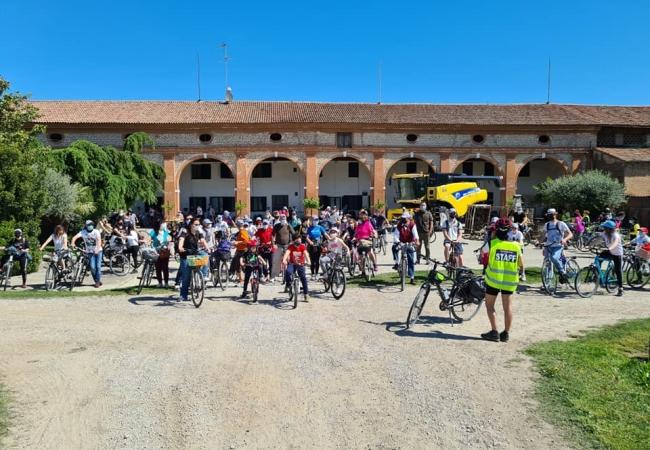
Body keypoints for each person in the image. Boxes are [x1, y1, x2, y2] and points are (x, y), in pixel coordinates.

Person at [481, 218, 523, 343]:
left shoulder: (492, 243)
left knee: (489, 305)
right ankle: (506, 333)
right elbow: (521, 264)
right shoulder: (516, 246)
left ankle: (494, 331)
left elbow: (483, 257)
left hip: (493, 280)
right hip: (509, 282)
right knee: (507, 307)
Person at [177, 218, 206, 301]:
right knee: (186, 276)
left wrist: (207, 248)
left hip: (194, 255)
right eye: (196, 224)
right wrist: (180, 247)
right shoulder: (185, 231)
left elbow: (203, 241)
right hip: (185, 255)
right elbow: (181, 239)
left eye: (198, 225)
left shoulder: (198, 232)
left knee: (205, 257)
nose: (197, 226)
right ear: (191, 225)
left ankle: (203, 277)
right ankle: (183, 295)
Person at [541, 208, 573, 283]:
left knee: (554, 258)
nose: (550, 216)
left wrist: (565, 239)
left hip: (558, 246)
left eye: (551, 214)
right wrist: (538, 242)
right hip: (548, 247)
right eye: (549, 215)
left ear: (555, 214)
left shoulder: (561, 223)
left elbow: (570, 234)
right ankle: (547, 283)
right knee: (547, 264)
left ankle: (562, 272)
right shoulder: (547, 225)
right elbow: (543, 236)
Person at [71, 220, 103, 288]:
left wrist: (97, 249)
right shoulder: (83, 232)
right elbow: (75, 237)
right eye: (88, 225)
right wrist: (72, 243)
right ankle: (97, 280)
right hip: (90, 252)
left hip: (98, 251)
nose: (90, 226)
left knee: (98, 266)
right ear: (86, 226)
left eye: (91, 224)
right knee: (92, 267)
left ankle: (97, 282)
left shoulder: (96, 231)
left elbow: (99, 240)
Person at [391, 212, 419, 284]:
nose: (403, 219)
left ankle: (412, 277)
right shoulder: (399, 225)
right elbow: (396, 235)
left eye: (405, 218)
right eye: (402, 218)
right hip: (401, 242)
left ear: (408, 218)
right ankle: (396, 263)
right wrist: (397, 241)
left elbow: (415, 234)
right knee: (394, 248)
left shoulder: (412, 224)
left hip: (410, 243)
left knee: (411, 259)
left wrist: (416, 241)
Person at [599, 220, 624, 297]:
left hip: (617, 254)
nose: (604, 229)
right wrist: (590, 245)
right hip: (610, 251)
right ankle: (599, 274)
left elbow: (615, 243)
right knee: (599, 258)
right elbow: (598, 239)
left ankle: (620, 288)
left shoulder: (616, 235)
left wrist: (609, 248)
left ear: (609, 229)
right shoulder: (605, 233)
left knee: (618, 270)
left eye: (605, 227)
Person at [282, 235, 311, 301]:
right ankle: (288, 285)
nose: (299, 241)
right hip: (292, 264)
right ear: (294, 240)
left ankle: (306, 294)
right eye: (297, 240)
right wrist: (284, 260)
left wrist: (308, 261)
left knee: (303, 278)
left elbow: (306, 254)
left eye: (300, 240)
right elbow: (287, 253)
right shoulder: (291, 246)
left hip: (300, 264)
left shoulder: (302, 246)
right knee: (288, 272)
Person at [149, 221, 172, 288]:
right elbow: (149, 239)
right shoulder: (153, 232)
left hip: (165, 252)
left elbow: (170, 240)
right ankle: (160, 282)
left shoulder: (166, 232)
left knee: (165, 268)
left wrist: (169, 245)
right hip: (156, 252)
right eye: (162, 224)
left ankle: (166, 283)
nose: (163, 225)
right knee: (158, 268)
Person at [272, 215, 294, 281]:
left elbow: (293, 233)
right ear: (280, 219)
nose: (283, 220)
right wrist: (273, 244)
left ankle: (289, 274)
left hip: (287, 245)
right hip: (278, 245)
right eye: (281, 219)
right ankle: (274, 276)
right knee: (277, 260)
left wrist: (289, 225)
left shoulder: (288, 225)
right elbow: (272, 235)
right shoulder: (277, 226)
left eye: (284, 219)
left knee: (288, 259)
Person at [230, 221, 250, 285]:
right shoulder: (241, 231)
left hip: (243, 250)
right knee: (237, 264)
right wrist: (235, 245)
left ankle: (241, 279)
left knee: (239, 265)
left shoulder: (242, 231)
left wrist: (238, 242)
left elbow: (246, 241)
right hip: (240, 249)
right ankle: (240, 278)